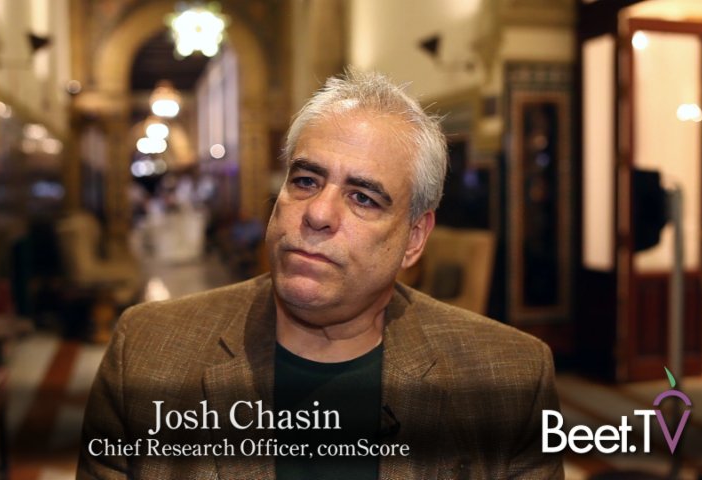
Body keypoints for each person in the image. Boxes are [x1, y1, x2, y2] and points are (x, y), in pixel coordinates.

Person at [77, 68, 563, 480]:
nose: (318, 213)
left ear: (414, 238)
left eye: (363, 198)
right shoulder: (145, 353)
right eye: (306, 181)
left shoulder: (511, 378)